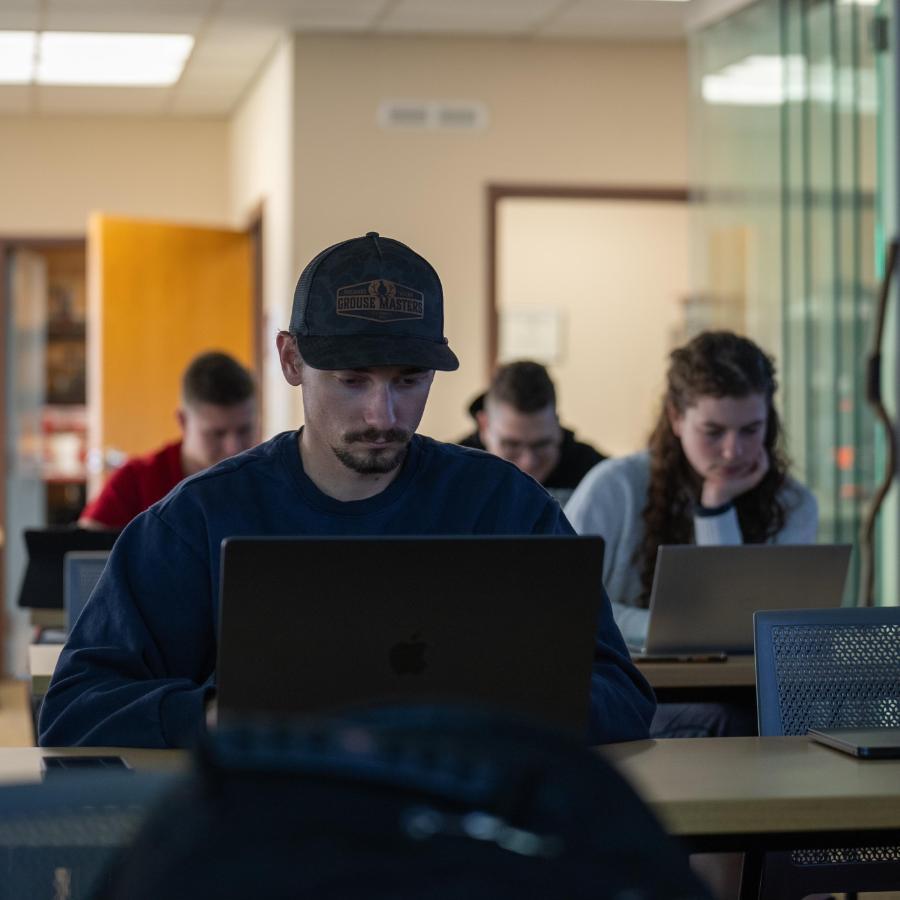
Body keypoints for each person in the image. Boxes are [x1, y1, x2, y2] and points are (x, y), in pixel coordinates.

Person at [39, 232, 654, 749]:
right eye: (351, 380)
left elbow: (619, 692)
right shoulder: (198, 519)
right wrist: (222, 716)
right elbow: (74, 709)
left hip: (460, 831)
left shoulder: (503, 505)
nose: (381, 414)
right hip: (273, 838)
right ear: (290, 361)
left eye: (408, 381)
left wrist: (491, 712)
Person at [565, 330, 817, 737]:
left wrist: (716, 507)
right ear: (676, 418)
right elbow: (567, 601)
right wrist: (671, 630)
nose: (733, 451)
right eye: (713, 432)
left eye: (751, 430)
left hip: (747, 691)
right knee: (726, 724)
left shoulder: (794, 503)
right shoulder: (615, 486)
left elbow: (738, 623)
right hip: (627, 690)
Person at [79, 351, 258, 530]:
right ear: (183, 421)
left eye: (244, 430)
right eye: (217, 434)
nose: (233, 448)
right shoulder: (135, 483)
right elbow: (83, 551)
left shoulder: (270, 479)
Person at [458, 360, 606, 506]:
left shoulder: (597, 476)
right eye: (511, 445)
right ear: (484, 426)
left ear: (557, 425)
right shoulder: (453, 472)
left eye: (541, 444)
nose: (528, 462)